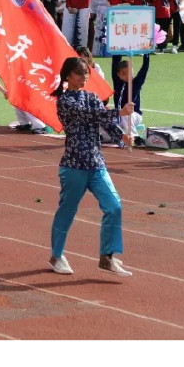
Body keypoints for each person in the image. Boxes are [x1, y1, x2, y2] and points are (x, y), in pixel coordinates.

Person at [49, 57, 130, 274]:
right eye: (79, 73)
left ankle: (107, 256)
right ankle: (56, 256)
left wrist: (123, 137)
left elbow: (105, 122)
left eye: (86, 73)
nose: (83, 77)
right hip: (74, 165)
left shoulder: (92, 97)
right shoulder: (65, 101)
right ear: (68, 75)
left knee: (114, 206)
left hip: (96, 164)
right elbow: (88, 115)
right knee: (67, 210)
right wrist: (119, 112)